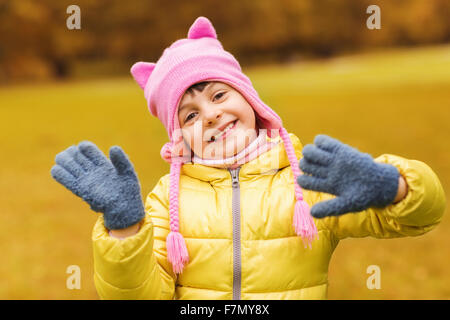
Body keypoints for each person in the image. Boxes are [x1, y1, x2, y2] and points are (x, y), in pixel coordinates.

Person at [51, 17, 446, 300]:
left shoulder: (304, 182)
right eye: (189, 114)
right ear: (178, 135)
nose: (209, 114)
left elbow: (423, 215)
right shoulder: (164, 201)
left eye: (219, 95)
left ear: (250, 99)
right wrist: (125, 229)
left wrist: (392, 185)